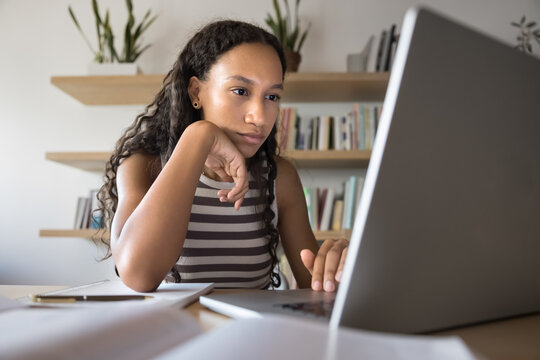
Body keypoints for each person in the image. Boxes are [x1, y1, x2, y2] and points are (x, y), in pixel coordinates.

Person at [96, 20, 349, 293]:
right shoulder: (143, 166)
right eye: (240, 91)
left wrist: (336, 267)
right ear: (196, 92)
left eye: (272, 97)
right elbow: (138, 276)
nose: (260, 117)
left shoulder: (279, 178)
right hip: (176, 334)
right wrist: (199, 136)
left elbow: (314, 284)